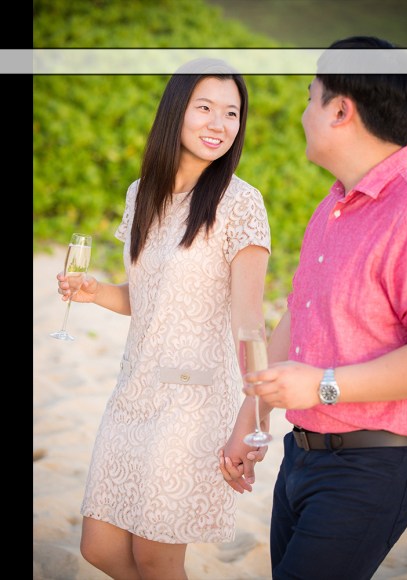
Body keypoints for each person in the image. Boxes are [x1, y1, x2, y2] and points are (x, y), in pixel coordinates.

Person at [55, 58, 271, 578]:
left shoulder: (241, 203)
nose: (219, 124)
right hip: (133, 392)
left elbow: (250, 326)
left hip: (193, 402)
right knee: (99, 547)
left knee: (155, 556)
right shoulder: (141, 193)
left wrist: (256, 418)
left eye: (232, 113)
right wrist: (95, 291)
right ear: (176, 111)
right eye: (205, 108)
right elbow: (150, 298)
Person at [219, 36, 407, 579]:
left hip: (374, 466)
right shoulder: (332, 204)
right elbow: (298, 323)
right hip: (300, 455)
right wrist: (250, 418)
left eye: (311, 98)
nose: (303, 112)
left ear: (340, 110)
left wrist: (323, 385)